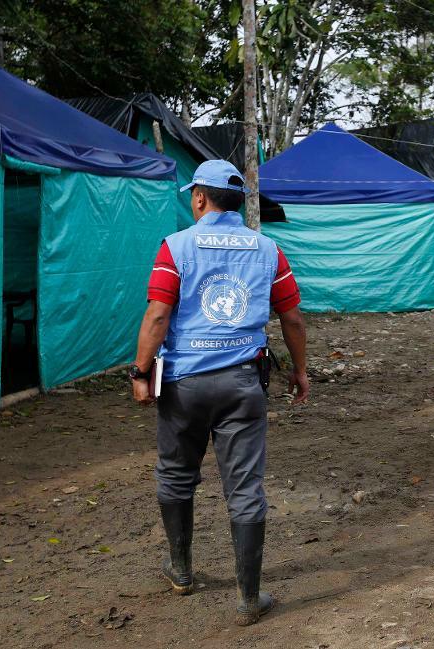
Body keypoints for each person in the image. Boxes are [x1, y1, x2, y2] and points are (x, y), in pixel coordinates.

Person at [130, 160, 309, 625]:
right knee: (245, 487)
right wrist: (300, 371)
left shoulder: (176, 247)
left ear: (200, 198)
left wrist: (140, 371)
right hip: (242, 384)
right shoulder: (269, 249)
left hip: (183, 385)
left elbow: (157, 315)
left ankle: (182, 571)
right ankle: (249, 599)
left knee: (175, 474)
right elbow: (292, 318)